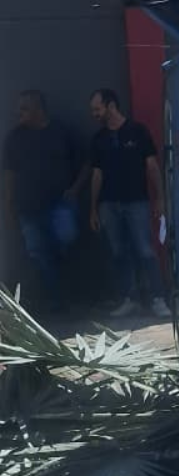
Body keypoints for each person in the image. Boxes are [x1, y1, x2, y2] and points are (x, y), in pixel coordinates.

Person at [88, 89, 169, 319]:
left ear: (111, 106)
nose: (94, 114)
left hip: (137, 202)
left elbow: (152, 166)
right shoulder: (99, 139)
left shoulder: (138, 131)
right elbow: (97, 175)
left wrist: (160, 198)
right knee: (119, 252)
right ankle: (129, 298)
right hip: (108, 204)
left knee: (145, 249)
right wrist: (93, 208)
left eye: (97, 108)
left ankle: (158, 298)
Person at [2, 90, 87, 310]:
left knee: (67, 238)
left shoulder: (61, 132)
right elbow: (10, 174)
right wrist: (8, 206)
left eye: (24, 108)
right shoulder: (14, 138)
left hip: (60, 203)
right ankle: (56, 301)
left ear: (38, 110)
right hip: (28, 208)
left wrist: (75, 189)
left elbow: (87, 162)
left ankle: (69, 284)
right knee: (38, 254)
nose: (18, 113)